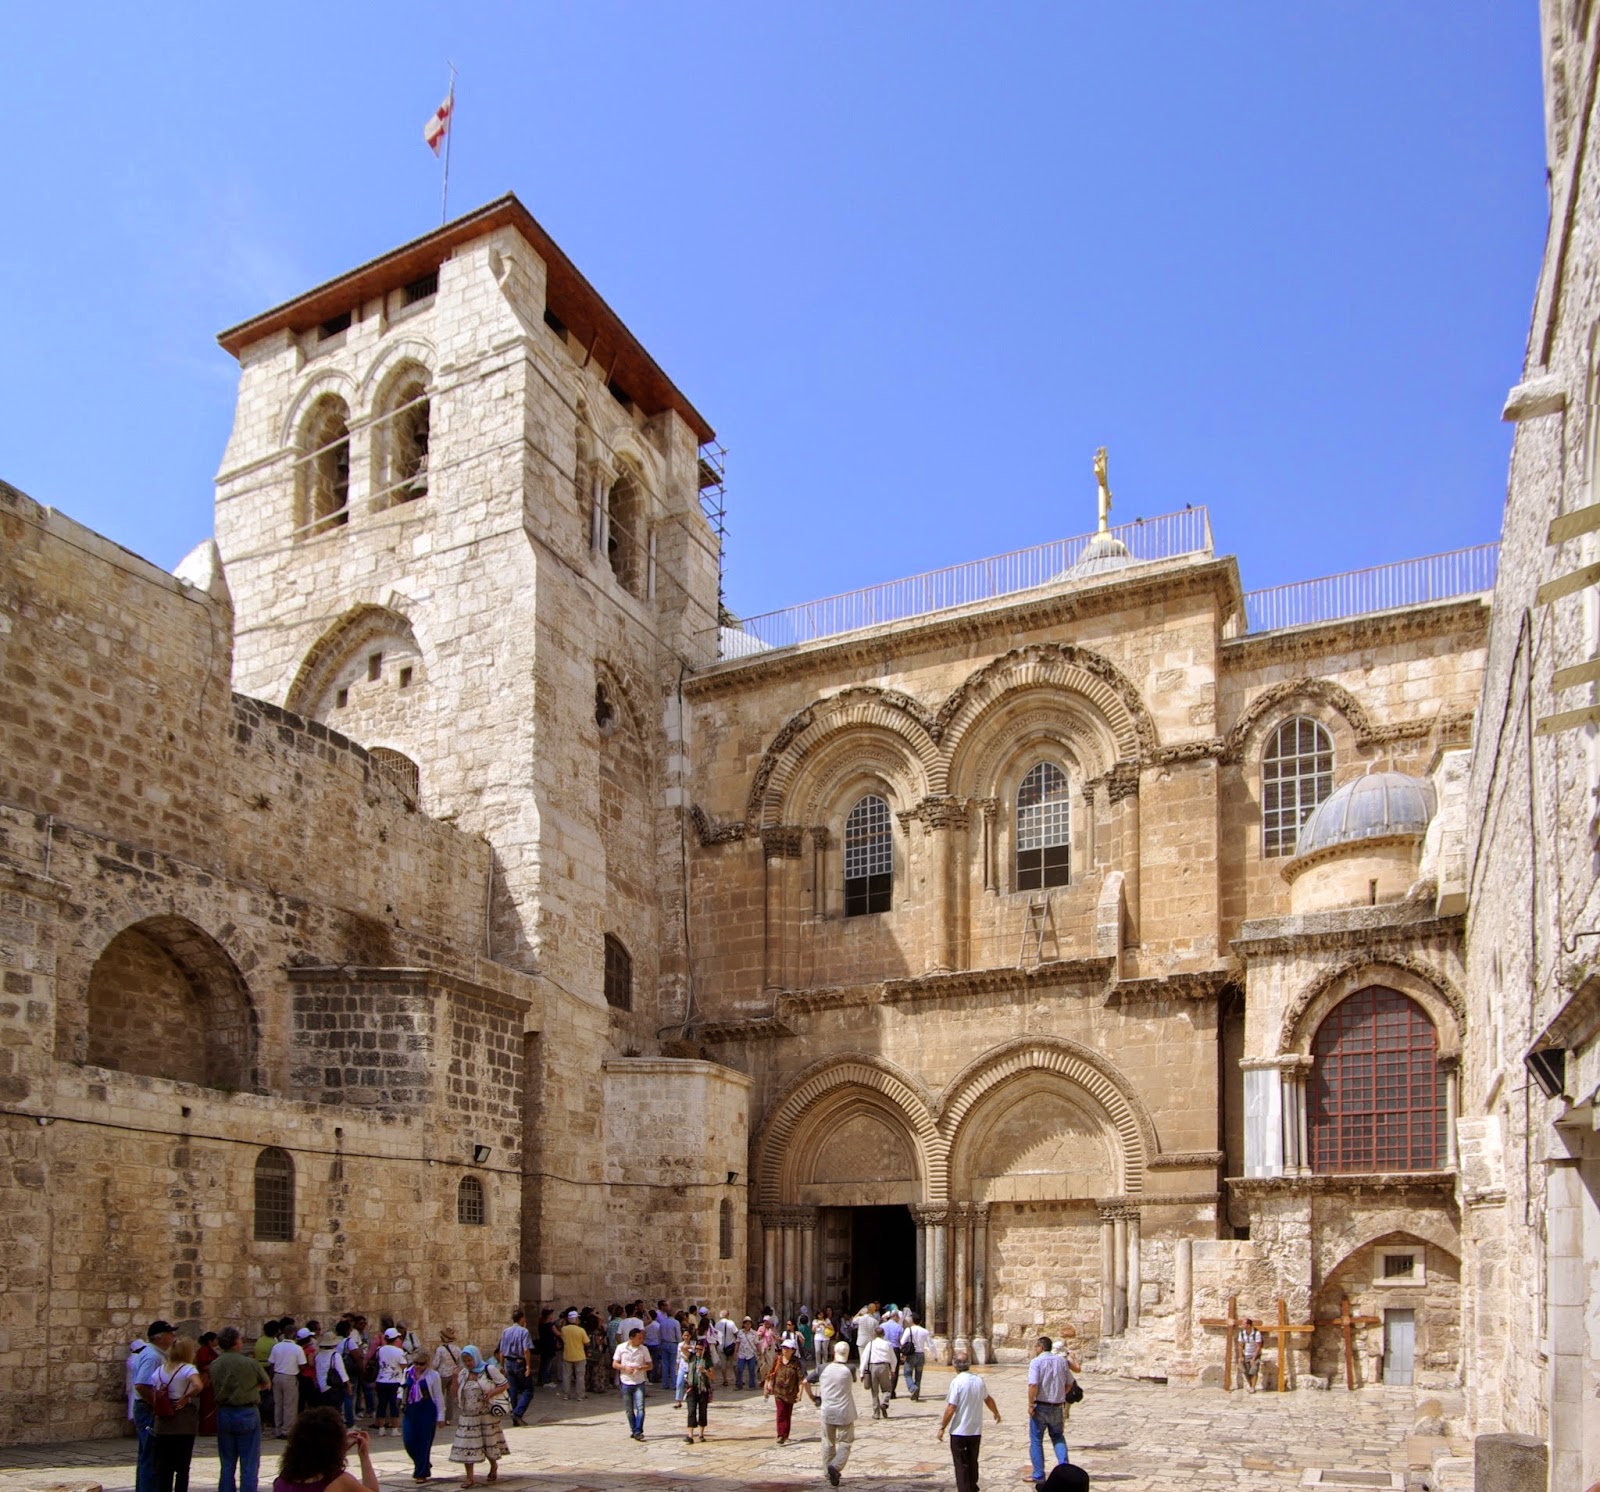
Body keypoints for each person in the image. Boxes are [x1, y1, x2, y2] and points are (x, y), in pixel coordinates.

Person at [211, 1326, 271, 1492]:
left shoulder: (215, 1364)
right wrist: (251, 1389)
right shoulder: (250, 1363)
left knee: (227, 1462)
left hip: (224, 1412)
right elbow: (266, 1383)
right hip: (246, 1411)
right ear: (236, 1342)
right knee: (249, 1461)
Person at [271, 1408, 379, 1492]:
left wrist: (340, 1450)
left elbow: (318, 1458)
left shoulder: (281, 1481)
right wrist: (364, 1456)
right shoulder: (340, 1481)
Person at [937, 1353, 1001, 1492]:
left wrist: (942, 1426)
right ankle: (972, 1487)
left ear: (955, 1365)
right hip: (975, 1430)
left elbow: (951, 1407)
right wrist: (996, 1412)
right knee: (972, 1462)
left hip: (959, 1431)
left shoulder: (957, 1382)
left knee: (961, 1465)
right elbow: (988, 1399)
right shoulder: (978, 1380)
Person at [150, 1334, 204, 1492]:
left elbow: (154, 1391)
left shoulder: (161, 1369)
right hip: (182, 1421)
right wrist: (186, 1396)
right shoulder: (188, 1368)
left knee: (164, 1467)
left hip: (163, 1421)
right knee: (182, 1467)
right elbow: (198, 1385)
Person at [448, 1345, 507, 1487]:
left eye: (470, 1360)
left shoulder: (488, 1370)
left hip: (486, 1415)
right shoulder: (463, 1374)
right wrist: (455, 1379)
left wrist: (490, 1394)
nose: (468, 1363)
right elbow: (453, 1394)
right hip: (468, 1417)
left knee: (489, 1444)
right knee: (467, 1446)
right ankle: (469, 1478)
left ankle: (493, 1466)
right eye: (466, 1361)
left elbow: (505, 1384)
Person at [804, 1340, 859, 1488]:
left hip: (827, 1410)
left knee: (828, 1442)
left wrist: (813, 1398)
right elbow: (853, 1380)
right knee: (845, 1442)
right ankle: (835, 1467)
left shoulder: (822, 1368)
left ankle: (828, 1471)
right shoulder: (851, 1368)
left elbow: (805, 1381)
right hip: (845, 1412)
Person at [132, 1319, 177, 1492]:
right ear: (159, 1338)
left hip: (146, 1407)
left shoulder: (155, 1354)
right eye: (170, 1334)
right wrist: (158, 1405)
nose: (173, 1337)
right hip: (147, 1409)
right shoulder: (152, 1356)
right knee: (151, 1455)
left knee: (147, 1455)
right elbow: (141, 1385)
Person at [1026, 1335, 1074, 1485]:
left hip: (1040, 1406)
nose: (1035, 1349)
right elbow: (1070, 1383)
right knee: (1058, 1436)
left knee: (1036, 1440)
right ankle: (1065, 1470)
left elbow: (1033, 1384)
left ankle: (1039, 1474)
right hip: (1058, 1406)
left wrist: (1030, 1404)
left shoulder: (1036, 1362)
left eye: (1036, 1346)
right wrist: (1059, 1395)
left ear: (1040, 1347)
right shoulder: (1061, 1361)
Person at [401, 1347, 445, 1484]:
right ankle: (423, 1462)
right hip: (411, 1409)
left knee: (423, 1442)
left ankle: (421, 1472)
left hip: (427, 1409)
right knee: (409, 1441)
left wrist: (441, 1416)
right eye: (416, 1363)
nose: (418, 1366)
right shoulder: (407, 1372)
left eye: (421, 1364)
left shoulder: (433, 1376)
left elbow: (438, 1396)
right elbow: (403, 1388)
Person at [612, 1324, 651, 1442]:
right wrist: (624, 1367)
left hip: (639, 1381)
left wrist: (640, 1367)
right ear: (631, 1338)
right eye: (639, 1338)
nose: (641, 1340)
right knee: (629, 1409)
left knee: (640, 1408)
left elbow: (650, 1365)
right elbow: (614, 1364)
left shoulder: (644, 1349)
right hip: (626, 1381)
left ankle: (638, 1430)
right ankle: (634, 1429)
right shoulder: (621, 1348)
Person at [763, 1337, 804, 1445]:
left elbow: (800, 1379)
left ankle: (785, 1434)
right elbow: (770, 1374)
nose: (785, 1350)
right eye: (784, 1347)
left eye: (788, 1348)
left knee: (787, 1413)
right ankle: (781, 1435)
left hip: (791, 1392)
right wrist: (766, 1387)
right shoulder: (778, 1360)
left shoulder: (796, 1363)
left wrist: (800, 1392)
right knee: (781, 1412)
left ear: (793, 1350)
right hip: (779, 1391)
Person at [268, 1326, 307, 1438]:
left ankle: (278, 1429)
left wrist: (271, 1379)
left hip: (277, 1376)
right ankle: (287, 1430)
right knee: (289, 1405)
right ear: (295, 1336)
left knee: (278, 1404)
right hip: (290, 1377)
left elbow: (271, 1364)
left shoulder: (276, 1347)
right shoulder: (297, 1348)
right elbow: (302, 1366)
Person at [373, 1328, 407, 1437]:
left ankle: (381, 1428)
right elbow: (403, 1365)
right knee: (394, 1405)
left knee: (381, 1404)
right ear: (395, 1338)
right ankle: (395, 1428)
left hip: (381, 1380)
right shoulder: (399, 1351)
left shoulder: (380, 1349)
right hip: (394, 1381)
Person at [682, 1333, 713, 1444]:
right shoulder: (692, 1357)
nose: (699, 1351)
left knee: (702, 1411)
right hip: (692, 1387)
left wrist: (704, 1371)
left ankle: (701, 1434)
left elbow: (712, 1375)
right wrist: (693, 1347)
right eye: (697, 1349)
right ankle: (690, 1435)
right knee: (691, 1411)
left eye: (701, 1349)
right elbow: (682, 1348)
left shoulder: (707, 1360)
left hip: (703, 1388)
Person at [859, 1329, 896, 1419]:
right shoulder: (887, 1344)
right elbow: (893, 1358)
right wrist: (893, 1369)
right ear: (884, 1334)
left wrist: (861, 1372)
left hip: (873, 1368)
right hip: (884, 1367)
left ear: (874, 1334)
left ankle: (876, 1413)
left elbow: (865, 1358)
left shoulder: (870, 1344)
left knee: (874, 1391)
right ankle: (884, 1402)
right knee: (887, 1389)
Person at [313, 1332, 351, 1412]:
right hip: (333, 1386)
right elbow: (342, 1372)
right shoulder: (335, 1355)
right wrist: (348, 1385)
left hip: (321, 1387)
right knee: (335, 1410)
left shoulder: (318, 1355)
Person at [432, 1328, 461, 1425]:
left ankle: (439, 1416)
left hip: (442, 1375)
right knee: (450, 1398)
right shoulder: (457, 1349)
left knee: (438, 1396)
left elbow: (435, 1363)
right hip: (452, 1374)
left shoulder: (440, 1349)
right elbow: (459, 1362)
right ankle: (448, 1418)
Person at [559, 1309, 588, 1400]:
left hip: (567, 1355)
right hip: (579, 1355)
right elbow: (587, 1342)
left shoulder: (564, 1329)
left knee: (567, 1376)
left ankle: (566, 1395)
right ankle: (580, 1395)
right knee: (580, 1376)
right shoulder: (581, 1330)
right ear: (576, 1319)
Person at [195, 1332, 220, 1437]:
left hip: (212, 1380)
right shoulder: (204, 1351)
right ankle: (206, 1428)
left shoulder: (212, 1351)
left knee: (211, 1403)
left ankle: (212, 1427)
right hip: (206, 1380)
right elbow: (203, 1365)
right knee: (207, 1404)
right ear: (210, 1341)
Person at [901, 1316, 932, 1401]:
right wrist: (935, 1355)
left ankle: (913, 1388)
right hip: (921, 1355)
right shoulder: (925, 1331)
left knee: (907, 1373)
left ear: (912, 1321)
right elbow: (930, 1344)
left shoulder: (909, 1330)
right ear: (921, 1321)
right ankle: (916, 1395)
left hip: (911, 1354)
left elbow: (902, 1342)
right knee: (918, 1376)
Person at [1238, 1317, 1263, 1393]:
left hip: (1255, 1354)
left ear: (1249, 1325)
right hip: (1246, 1354)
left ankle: (1253, 1387)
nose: (1242, 1325)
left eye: (1243, 1324)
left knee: (1254, 1370)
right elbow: (1240, 1345)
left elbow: (1259, 1347)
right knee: (1246, 1371)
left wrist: (1254, 1358)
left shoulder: (1256, 1333)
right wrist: (1241, 1356)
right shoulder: (1242, 1333)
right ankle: (1250, 1384)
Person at [734, 1316, 759, 1389]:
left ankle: (752, 1385)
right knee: (740, 1369)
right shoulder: (740, 1332)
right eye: (746, 1323)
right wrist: (735, 1352)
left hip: (751, 1353)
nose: (747, 1325)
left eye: (749, 1323)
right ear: (744, 1324)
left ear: (751, 1324)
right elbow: (737, 1342)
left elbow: (757, 1343)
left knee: (751, 1370)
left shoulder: (754, 1333)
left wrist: (760, 1352)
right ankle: (739, 1384)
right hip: (742, 1354)